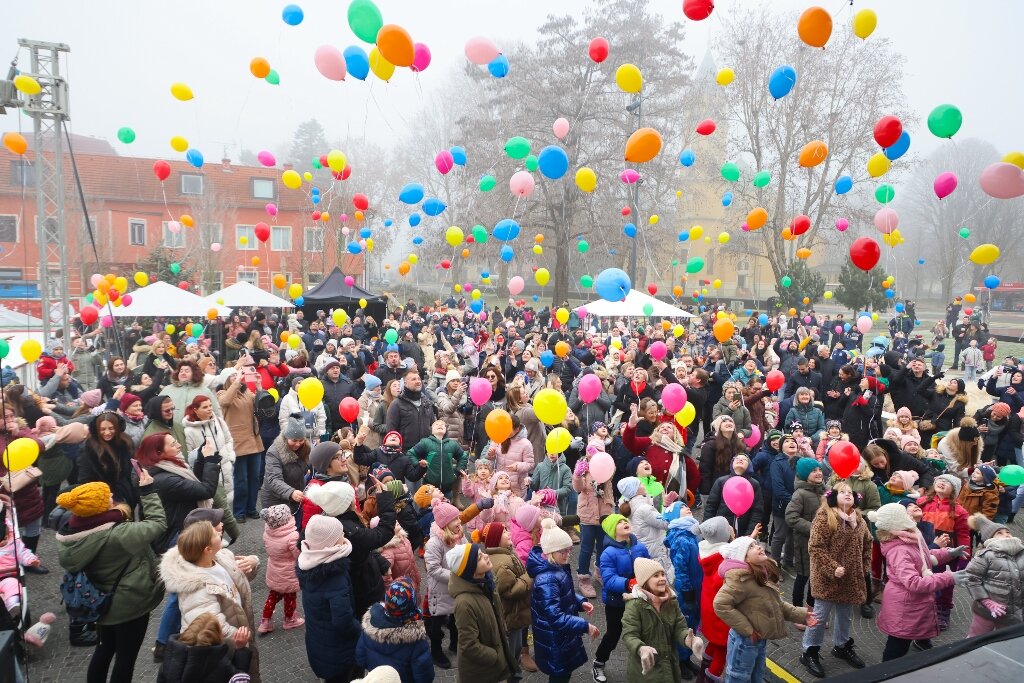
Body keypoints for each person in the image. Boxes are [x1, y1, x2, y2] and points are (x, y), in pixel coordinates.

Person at [55, 479, 167, 683]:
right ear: (100, 506)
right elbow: (158, 523)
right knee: (126, 658)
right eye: (107, 497)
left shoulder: (71, 532)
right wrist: (148, 492)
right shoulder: (118, 534)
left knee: (104, 649)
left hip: (100, 602)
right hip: (129, 604)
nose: (112, 497)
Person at [159, 520, 259, 679]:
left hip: (240, 639)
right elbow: (217, 629)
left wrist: (254, 561)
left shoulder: (220, 556)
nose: (219, 531)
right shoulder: (197, 590)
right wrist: (243, 640)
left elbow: (240, 574)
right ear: (207, 549)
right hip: (223, 656)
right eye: (214, 534)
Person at [867, 503, 968, 661]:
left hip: (910, 604)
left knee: (902, 641)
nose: (909, 516)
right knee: (897, 647)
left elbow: (924, 556)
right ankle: (886, 673)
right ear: (897, 521)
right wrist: (949, 577)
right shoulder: (899, 549)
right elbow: (914, 582)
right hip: (905, 606)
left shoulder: (907, 537)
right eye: (904, 515)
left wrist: (949, 553)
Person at [713, 536, 816, 683]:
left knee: (758, 673)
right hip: (745, 640)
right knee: (738, 677)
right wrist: (748, 629)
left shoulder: (761, 574)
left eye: (756, 544)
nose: (759, 547)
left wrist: (801, 615)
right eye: (751, 547)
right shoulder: (740, 580)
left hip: (760, 638)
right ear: (744, 558)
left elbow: (776, 604)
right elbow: (720, 605)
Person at [798, 482, 872, 678]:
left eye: (850, 492)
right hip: (827, 579)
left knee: (845, 615)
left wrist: (864, 567)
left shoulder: (859, 519)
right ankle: (809, 651)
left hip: (851, 579)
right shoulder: (824, 517)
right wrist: (832, 568)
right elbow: (815, 547)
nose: (847, 494)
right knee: (820, 617)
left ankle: (841, 645)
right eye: (842, 492)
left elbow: (868, 543)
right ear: (833, 497)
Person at [305, 480, 397, 618]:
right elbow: (383, 533)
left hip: (359, 581)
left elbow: (363, 547)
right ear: (348, 504)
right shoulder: (349, 530)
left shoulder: (329, 523)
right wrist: (385, 498)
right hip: (363, 587)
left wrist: (380, 562)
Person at [528, 518, 600, 683]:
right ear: (549, 552)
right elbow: (555, 616)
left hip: (560, 637)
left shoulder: (555, 568)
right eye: (563, 551)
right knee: (559, 676)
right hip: (555, 639)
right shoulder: (547, 579)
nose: (568, 554)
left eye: (569, 550)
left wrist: (580, 601)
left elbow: (564, 592)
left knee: (562, 673)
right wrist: (585, 625)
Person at [295, 514, 362, 683]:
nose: (344, 536)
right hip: (339, 651)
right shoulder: (334, 576)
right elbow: (342, 621)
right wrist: (361, 632)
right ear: (329, 543)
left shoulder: (308, 563)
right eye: (340, 535)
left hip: (319, 641)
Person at [621, 557, 705, 682]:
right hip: (646, 672)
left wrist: (689, 640)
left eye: (663, 574)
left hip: (670, 667)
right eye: (656, 576)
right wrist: (641, 648)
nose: (662, 578)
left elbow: (679, 627)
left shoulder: (671, 601)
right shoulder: (634, 605)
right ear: (645, 581)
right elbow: (629, 635)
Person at [446, 542, 518, 683]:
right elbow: (469, 645)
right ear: (470, 570)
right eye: (479, 557)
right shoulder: (464, 603)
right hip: (483, 672)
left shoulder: (486, 583)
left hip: (496, 662)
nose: (486, 555)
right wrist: (496, 656)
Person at [593, 508, 650, 682]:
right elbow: (609, 579)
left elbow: (649, 565)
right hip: (616, 602)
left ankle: (645, 664)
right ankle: (599, 663)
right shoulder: (608, 553)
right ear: (612, 530)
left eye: (625, 520)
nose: (624, 522)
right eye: (619, 522)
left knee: (643, 632)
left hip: (640, 598)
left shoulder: (639, 546)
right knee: (613, 635)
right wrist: (628, 583)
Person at [476, 522, 535, 676]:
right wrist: (529, 577)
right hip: (511, 614)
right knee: (511, 650)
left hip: (512, 614)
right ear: (496, 539)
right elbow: (509, 591)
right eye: (504, 532)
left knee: (513, 648)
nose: (509, 533)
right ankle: (510, 673)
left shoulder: (505, 554)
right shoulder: (502, 563)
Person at [355, 577, 433, 683]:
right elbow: (425, 678)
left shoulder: (370, 624)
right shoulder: (417, 642)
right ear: (412, 603)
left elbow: (360, 659)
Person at [964, 513, 1024, 636]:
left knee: (1004, 642)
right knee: (976, 638)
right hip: (986, 612)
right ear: (990, 538)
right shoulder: (986, 555)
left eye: (1007, 532)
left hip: (1013, 613)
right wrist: (986, 601)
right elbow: (971, 578)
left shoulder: (1021, 553)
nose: (1006, 535)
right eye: (999, 533)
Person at [423, 499, 464, 668]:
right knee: (436, 622)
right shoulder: (434, 543)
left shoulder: (459, 536)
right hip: (440, 590)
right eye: (455, 519)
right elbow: (433, 569)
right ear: (446, 523)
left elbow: (466, 552)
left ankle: (455, 643)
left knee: (456, 618)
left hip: (456, 588)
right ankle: (436, 651)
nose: (460, 521)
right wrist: (457, 575)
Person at [219, 372, 264, 522]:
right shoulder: (222, 393)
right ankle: (239, 511)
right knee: (241, 479)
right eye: (232, 376)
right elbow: (225, 401)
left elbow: (260, 402)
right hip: (237, 442)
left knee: (255, 478)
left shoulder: (247, 392)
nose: (237, 378)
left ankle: (251, 508)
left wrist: (258, 385)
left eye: (237, 376)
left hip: (254, 440)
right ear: (226, 380)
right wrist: (237, 381)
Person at [785, 458, 825, 617]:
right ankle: (797, 611)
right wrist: (815, 529)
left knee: (816, 578)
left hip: (822, 544)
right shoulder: (800, 494)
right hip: (804, 544)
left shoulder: (825, 490)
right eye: (813, 471)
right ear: (804, 475)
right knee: (803, 577)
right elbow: (791, 517)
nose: (818, 473)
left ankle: (811, 609)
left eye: (819, 470)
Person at [78, 411, 139, 511]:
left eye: (111, 428)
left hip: (126, 493)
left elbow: (131, 470)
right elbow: (85, 479)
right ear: (97, 429)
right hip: (105, 499)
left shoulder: (126, 442)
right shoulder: (89, 448)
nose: (107, 432)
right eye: (102, 429)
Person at [258, 504, 303, 634]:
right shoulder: (292, 536)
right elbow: (297, 554)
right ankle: (290, 620)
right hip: (288, 572)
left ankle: (265, 620)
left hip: (274, 569)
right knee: (290, 596)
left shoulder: (267, 533)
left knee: (273, 595)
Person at [260, 416, 311, 513]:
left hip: (296, 496)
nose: (297, 444)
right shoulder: (274, 452)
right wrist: (291, 492)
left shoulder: (305, 448)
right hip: (274, 500)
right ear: (286, 437)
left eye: (301, 440)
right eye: (294, 440)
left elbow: (310, 464)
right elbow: (274, 479)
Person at [704, 454, 764, 537]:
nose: (740, 460)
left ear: (749, 465)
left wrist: (749, 534)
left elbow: (757, 511)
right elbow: (711, 506)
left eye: (744, 459)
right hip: (721, 528)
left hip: (743, 530)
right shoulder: (721, 481)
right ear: (732, 464)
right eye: (737, 458)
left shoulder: (754, 484)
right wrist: (707, 528)